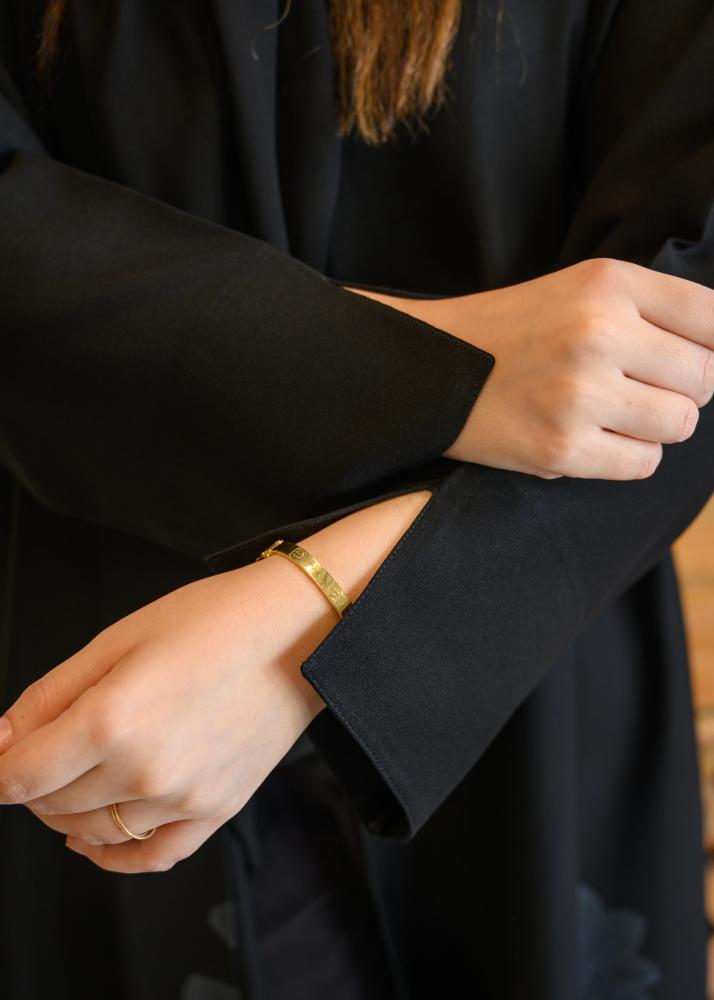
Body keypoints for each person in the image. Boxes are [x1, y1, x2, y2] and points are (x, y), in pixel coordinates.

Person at [0, 1, 712, 998]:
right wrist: (456, 361)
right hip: (103, 661)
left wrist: (310, 630)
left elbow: (691, 325)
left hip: (525, 645)